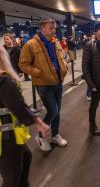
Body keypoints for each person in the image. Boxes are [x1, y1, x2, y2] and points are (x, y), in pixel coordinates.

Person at [0, 45, 51, 187]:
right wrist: (39, 122)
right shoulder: (4, 81)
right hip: (6, 138)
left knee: (26, 157)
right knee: (11, 179)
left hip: (8, 137)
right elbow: (18, 106)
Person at [19, 18, 68, 152]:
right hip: (44, 84)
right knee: (53, 110)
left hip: (58, 81)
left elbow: (61, 57)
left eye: (55, 28)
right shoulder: (31, 44)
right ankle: (41, 136)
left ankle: (55, 134)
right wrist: (38, 72)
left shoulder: (55, 42)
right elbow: (23, 64)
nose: (54, 30)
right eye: (51, 28)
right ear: (42, 29)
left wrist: (64, 67)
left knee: (57, 111)